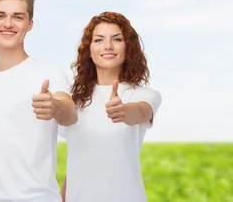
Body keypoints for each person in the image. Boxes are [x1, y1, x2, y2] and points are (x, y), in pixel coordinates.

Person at [0, 0, 78, 202]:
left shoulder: (49, 74)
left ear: (30, 24)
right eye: (0, 16)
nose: (8, 23)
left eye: (18, 17)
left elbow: (70, 113)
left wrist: (54, 107)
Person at [59, 12, 162, 202]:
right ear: (89, 51)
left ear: (128, 47)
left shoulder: (142, 94)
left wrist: (124, 111)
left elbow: (141, 111)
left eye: (116, 39)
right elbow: (76, 161)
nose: (107, 46)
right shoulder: (74, 101)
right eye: (99, 40)